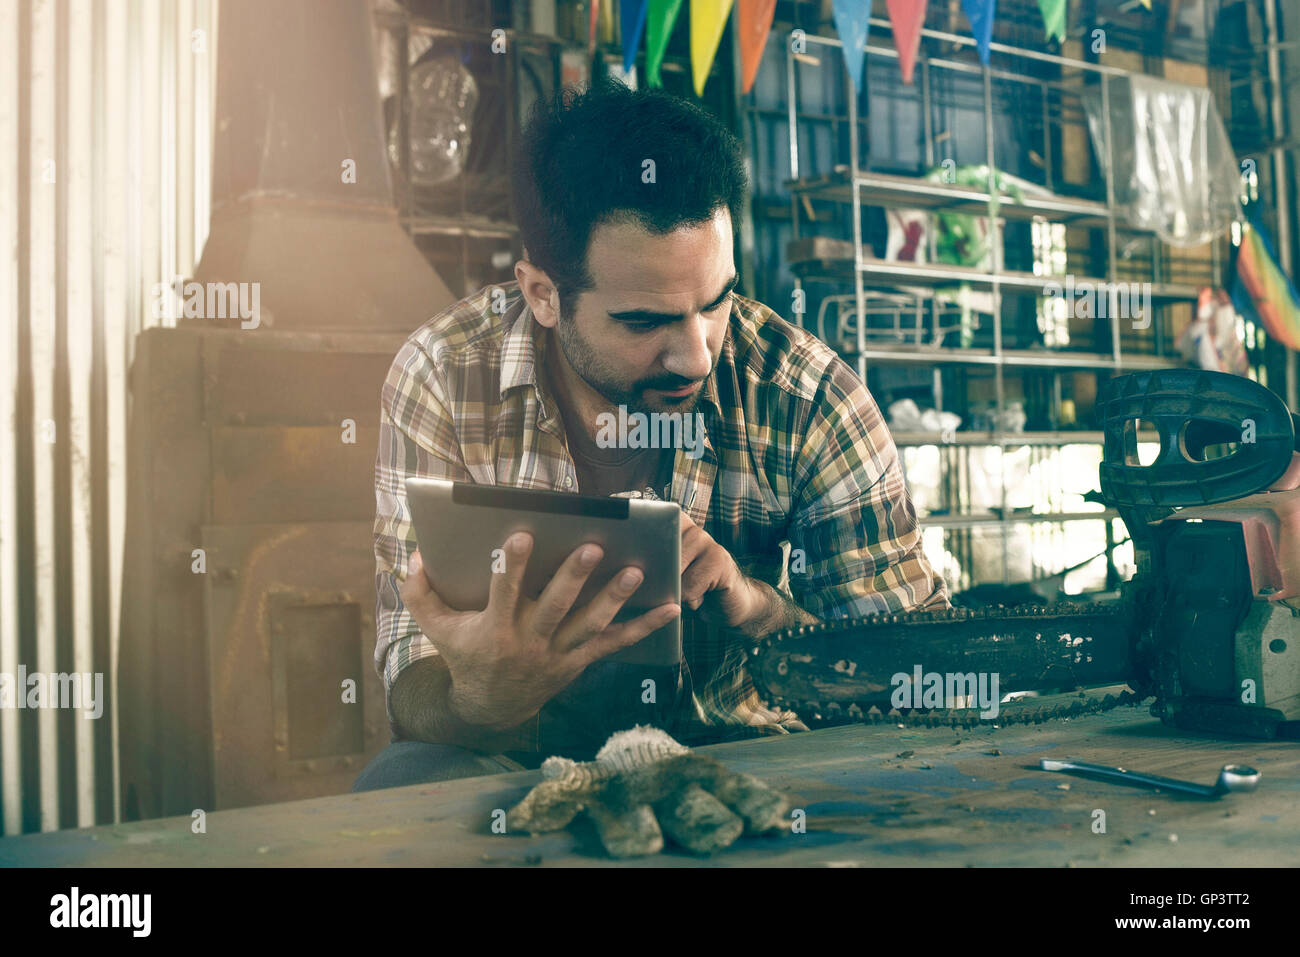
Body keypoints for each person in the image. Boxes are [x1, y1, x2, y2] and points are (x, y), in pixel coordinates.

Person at [353, 80, 948, 792]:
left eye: (716, 300)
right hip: (514, 761)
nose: (696, 355)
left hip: (738, 752)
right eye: (645, 321)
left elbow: (915, 678)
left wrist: (761, 612)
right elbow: (409, 683)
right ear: (543, 294)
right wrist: (480, 697)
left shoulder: (806, 392)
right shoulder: (444, 374)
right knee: (401, 783)